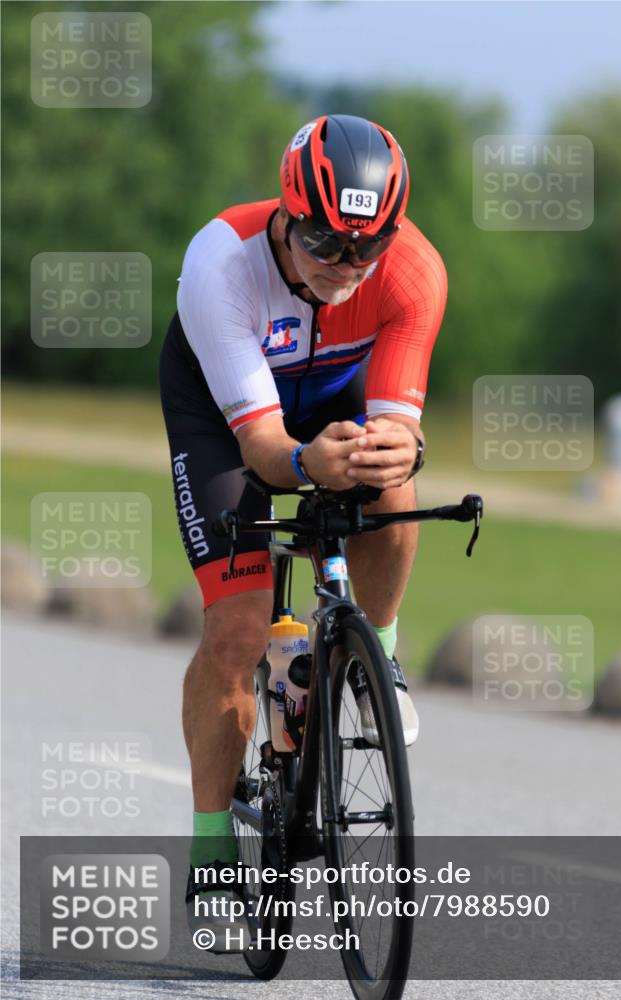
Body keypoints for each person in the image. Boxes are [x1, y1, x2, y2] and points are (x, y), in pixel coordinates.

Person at [159, 113, 447, 947]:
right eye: (325, 244)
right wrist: (304, 462)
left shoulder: (412, 273)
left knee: (394, 478)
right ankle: (212, 841)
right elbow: (260, 448)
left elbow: (397, 418)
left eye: (367, 248)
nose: (346, 268)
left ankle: (379, 657)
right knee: (237, 630)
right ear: (288, 212)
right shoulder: (221, 263)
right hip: (227, 411)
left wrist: (397, 446)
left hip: (336, 393)